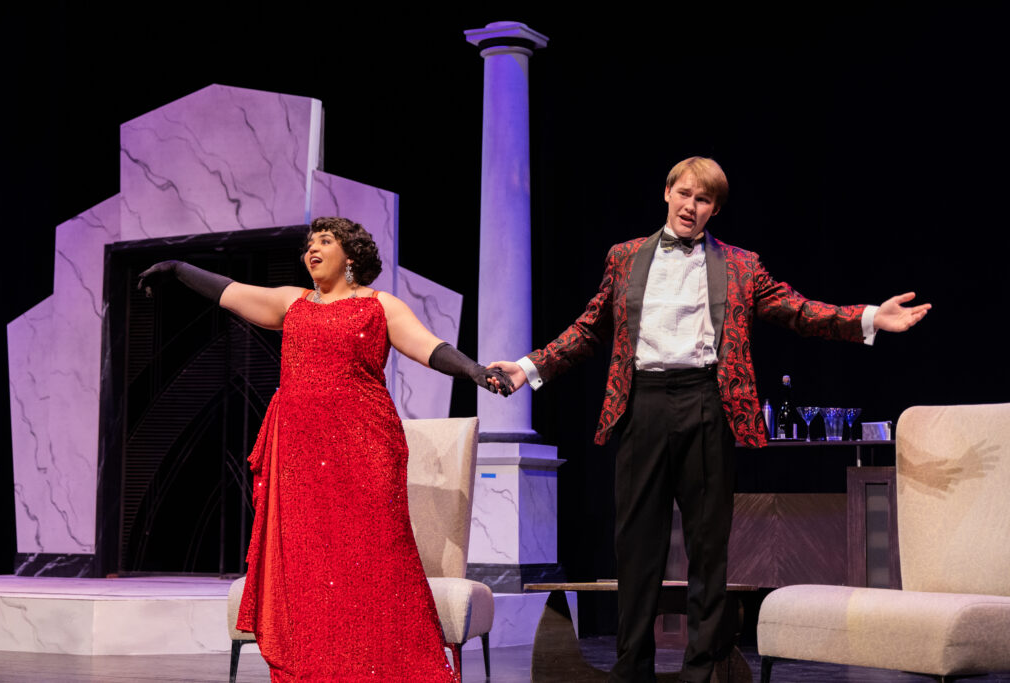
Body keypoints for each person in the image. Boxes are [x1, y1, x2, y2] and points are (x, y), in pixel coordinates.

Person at [488, 157, 930, 683]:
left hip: (707, 403)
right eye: (684, 194)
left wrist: (866, 318)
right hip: (641, 404)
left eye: (703, 200)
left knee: (707, 549)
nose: (690, 207)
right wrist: (527, 366)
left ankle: (702, 673)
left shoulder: (742, 265)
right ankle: (632, 670)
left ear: (714, 210)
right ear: (667, 193)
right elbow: (588, 328)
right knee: (636, 549)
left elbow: (798, 310)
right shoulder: (624, 257)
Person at [138, 216, 512, 682]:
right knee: (312, 567)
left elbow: (428, 347)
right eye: (309, 244)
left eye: (325, 241)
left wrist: (474, 371)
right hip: (299, 456)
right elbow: (230, 290)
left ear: (350, 256)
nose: (311, 249)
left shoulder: (378, 306)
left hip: (366, 447)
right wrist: (177, 269)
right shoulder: (292, 303)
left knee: (374, 557)